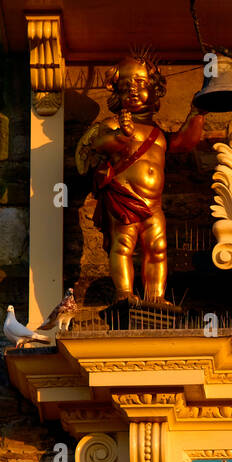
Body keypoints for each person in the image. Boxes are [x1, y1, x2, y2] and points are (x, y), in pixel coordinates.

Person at [76, 52, 207, 303]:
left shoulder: (156, 132)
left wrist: (196, 115)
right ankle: (124, 293)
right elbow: (101, 144)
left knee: (157, 249)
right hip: (124, 197)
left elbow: (182, 143)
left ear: (154, 91)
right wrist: (123, 136)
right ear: (117, 95)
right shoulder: (114, 123)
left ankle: (154, 297)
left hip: (154, 206)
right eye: (126, 88)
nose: (133, 92)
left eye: (140, 85)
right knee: (123, 244)